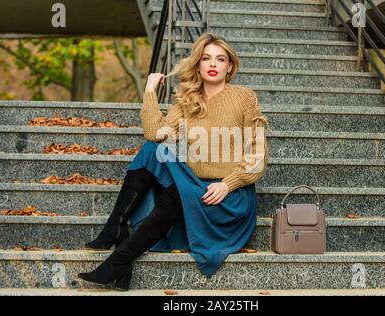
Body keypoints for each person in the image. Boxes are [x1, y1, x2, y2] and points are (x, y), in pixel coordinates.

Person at [77, 32, 269, 291]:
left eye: (220, 59)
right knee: (150, 150)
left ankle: (119, 255)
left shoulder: (245, 98)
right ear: (198, 65)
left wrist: (228, 184)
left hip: (228, 198)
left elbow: (258, 156)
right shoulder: (187, 100)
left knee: (176, 193)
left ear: (230, 66)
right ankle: (116, 229)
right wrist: (149, 92)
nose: (213, 64)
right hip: (193, 187)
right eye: (206, 58)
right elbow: (155, 134)